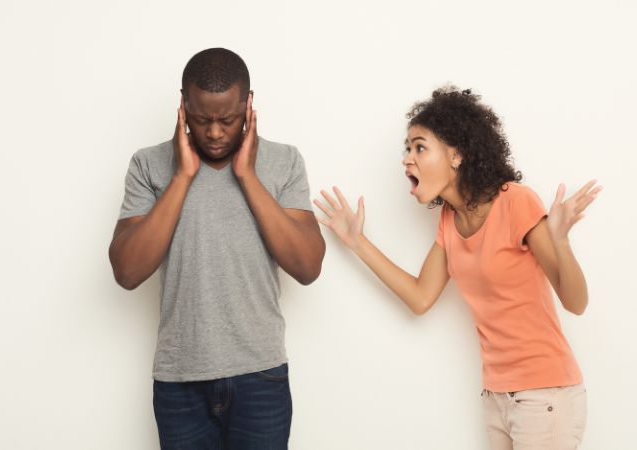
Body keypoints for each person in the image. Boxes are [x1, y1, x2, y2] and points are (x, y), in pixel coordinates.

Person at [315, 86, 600, 449]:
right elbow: (420, 298)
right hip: (497, 397)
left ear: (456, 155)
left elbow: (576, 303)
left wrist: (560, 242)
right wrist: (357, 242)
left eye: (420, 147)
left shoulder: (516, 202)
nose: (407, 159)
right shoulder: (450, 221)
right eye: (407, 148)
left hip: (545, 396)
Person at [109, 47, 325, 449]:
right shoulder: (149, 165)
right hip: (179, 380)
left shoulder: (284, 162)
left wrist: (248, 176)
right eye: (201, 118)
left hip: (261, 376)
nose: (213, 132)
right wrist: (182, 177)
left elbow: (308, 265)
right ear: (182, 105)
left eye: (227, 119)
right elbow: (126, 271)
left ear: (248, 104)